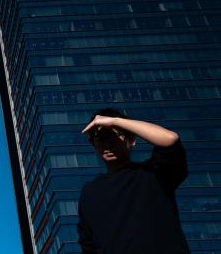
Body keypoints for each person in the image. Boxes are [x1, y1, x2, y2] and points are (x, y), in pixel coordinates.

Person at [77, 107, 190, 254]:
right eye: (100, 138)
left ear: (132, 141)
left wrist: (115, 121)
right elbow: (89, 244)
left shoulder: (152, 173)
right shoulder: (90, 192)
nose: (107, 144)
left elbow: (170, 140)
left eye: (113, 136)